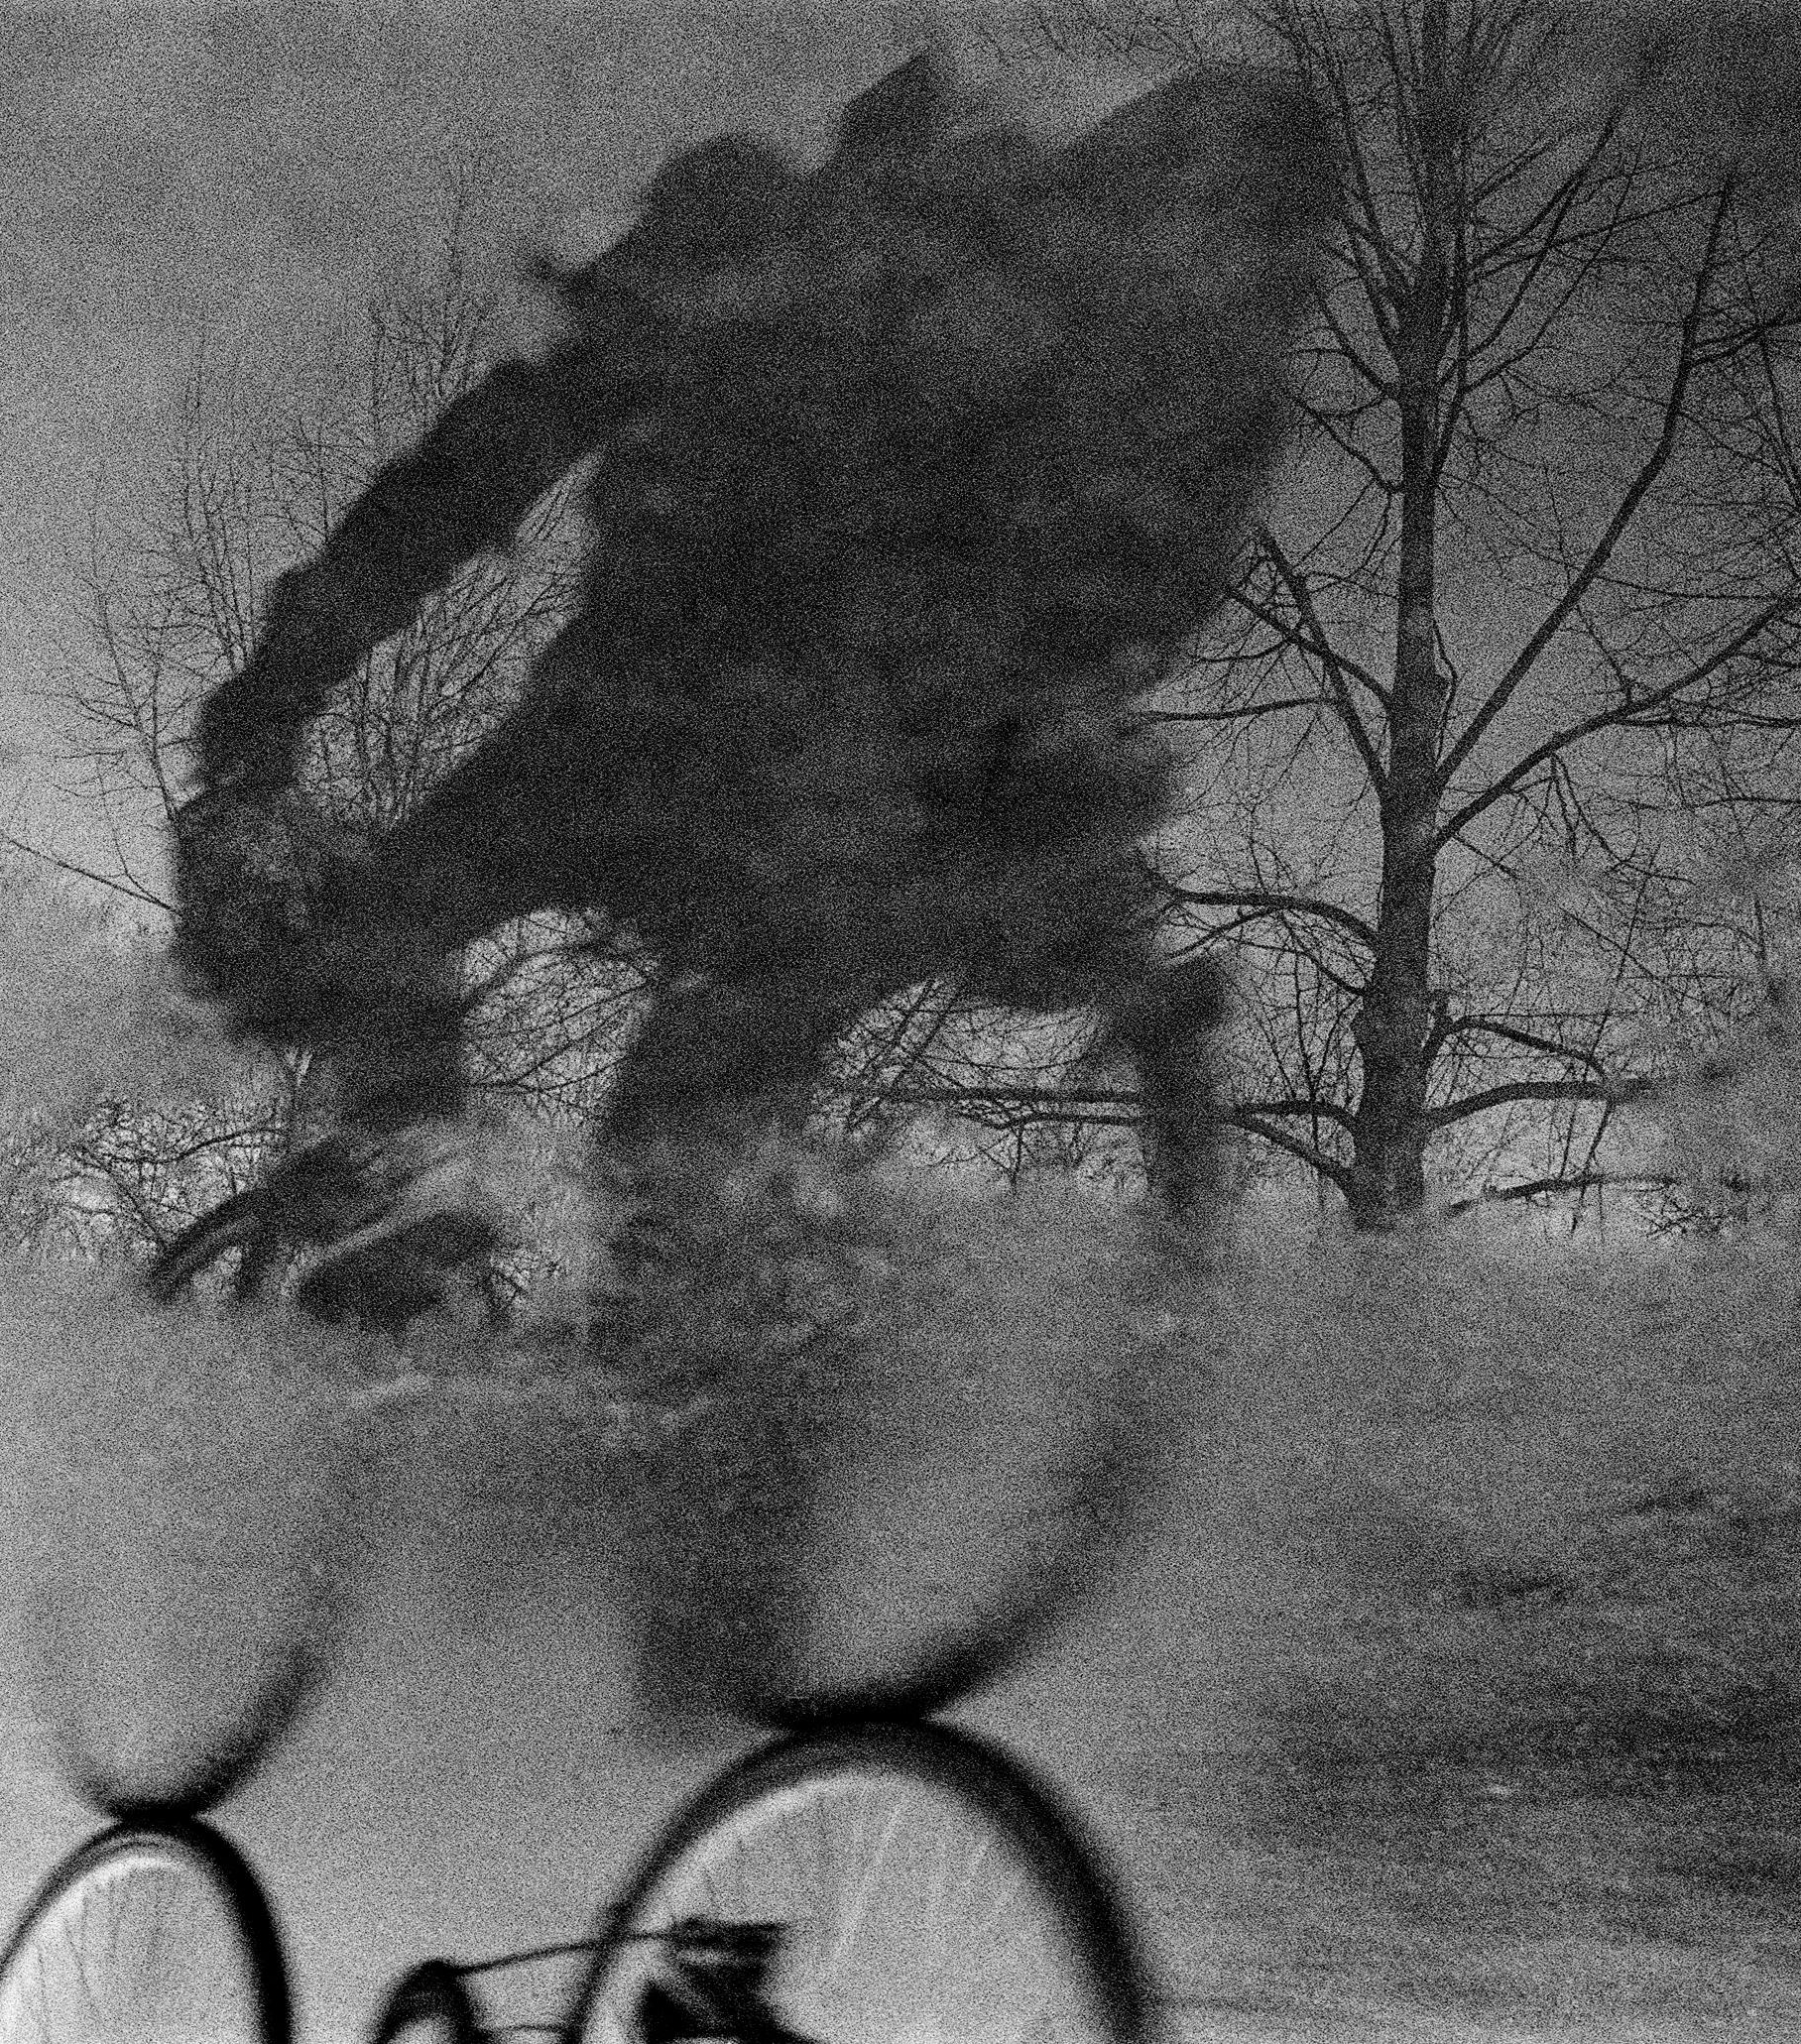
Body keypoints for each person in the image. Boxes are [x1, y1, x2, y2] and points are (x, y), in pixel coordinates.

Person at [165, 50, 1337, 1331]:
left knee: (386, 929)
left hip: (636, 727)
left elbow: (469, 472)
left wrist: (277, 690)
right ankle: (713, 1366)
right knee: (690, 1144)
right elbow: (1130, 598)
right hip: (867, 792)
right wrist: (1042, 763)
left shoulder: (771, 244)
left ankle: (436, 1185)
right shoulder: (1148, 353)